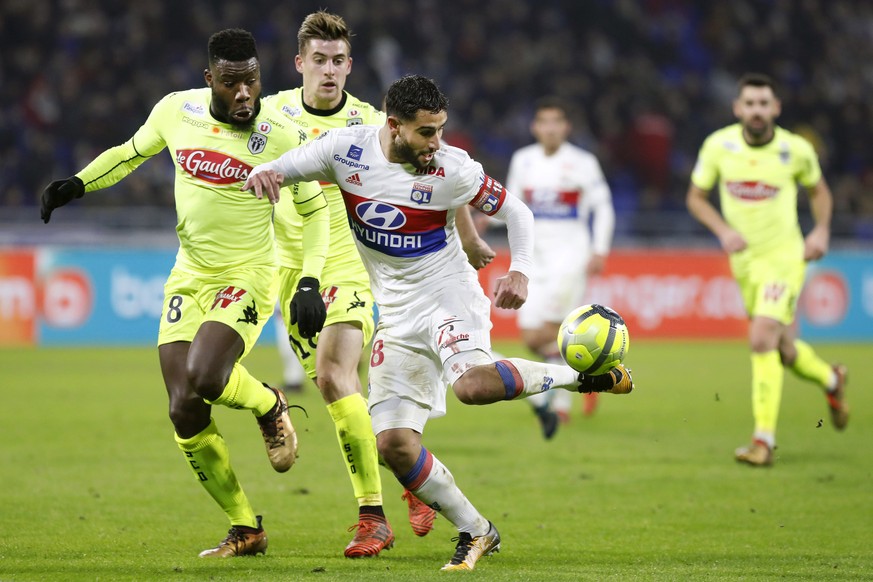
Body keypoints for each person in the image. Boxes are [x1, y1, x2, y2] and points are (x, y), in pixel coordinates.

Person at [244, 74, 634, 571]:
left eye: (441, 130)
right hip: (397, 314)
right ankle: (477, 530)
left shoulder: (453, 168)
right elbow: (281, 167)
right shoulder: (347, 152)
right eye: (426, 132)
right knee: (394, 445)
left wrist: (520, 270)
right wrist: (265, 174)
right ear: (394, 126)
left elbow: (518, 212)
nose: (437, 143)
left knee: (471, 385)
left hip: (450, 297)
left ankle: (584, 378)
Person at [40, 29, 330, 556]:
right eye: (231, 82)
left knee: (205, 375)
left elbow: (314, 212)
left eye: (252, 81)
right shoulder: (177, 112)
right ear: (209, 80)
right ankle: (246, 527)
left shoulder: (282, 134)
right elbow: (129, 155)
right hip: (189, 274)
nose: (244, 93)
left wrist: (309, 278)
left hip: (248, 273)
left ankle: (268, 403)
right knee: (183, 408)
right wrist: (78, 183)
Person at [264, 11, 493, 557]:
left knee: (332, 372)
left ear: (350, 66)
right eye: (318, 60)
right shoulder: (271, 114)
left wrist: (467, 238)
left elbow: (440, 178)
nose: (329, 71)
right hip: (290, 268)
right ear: (300, 63)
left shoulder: (376, 123)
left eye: (339, 61)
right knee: (346, 389)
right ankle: (410, 472)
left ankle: (372, 516)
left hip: (353, 266)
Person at [686, 72, 849, 467]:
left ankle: (763, 441)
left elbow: (819, 190)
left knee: (760, 338)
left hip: (785, 258)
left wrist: (822, 230)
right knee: (783, 349)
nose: (757, 111)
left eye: (764, 104)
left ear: (776, 107)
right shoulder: (718, 146)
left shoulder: (796, 150)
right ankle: (832, 379)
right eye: (750, 104)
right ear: (737, 107)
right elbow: (696, 197)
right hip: (745, 262)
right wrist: (723, 230)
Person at [505, 97, 616, 438]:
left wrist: (599, 249)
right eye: (544, 122)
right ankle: (592, 372)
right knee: (530, 338)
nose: (550, 128)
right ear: (535, 127)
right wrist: (484, 221)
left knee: (554, 331)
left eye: (557, 122)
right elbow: (510, 205)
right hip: (533, 260)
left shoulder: (582, 162)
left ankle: (560, 407)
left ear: (566, 127)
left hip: (570, 258)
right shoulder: (523, 160)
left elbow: (604, 207)